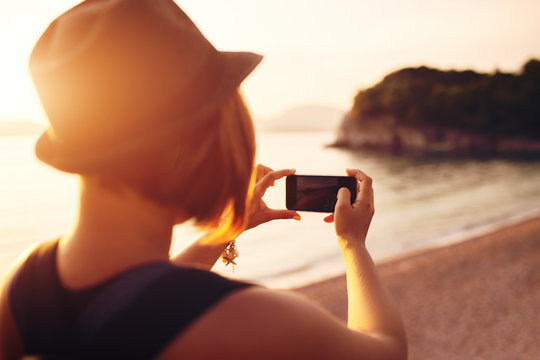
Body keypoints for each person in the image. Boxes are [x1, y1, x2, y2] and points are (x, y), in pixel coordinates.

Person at [0, 0, 407, 359]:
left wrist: (222, 233)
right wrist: (352, 244)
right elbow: (384, 349)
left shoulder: (23, 287)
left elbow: (134, 305)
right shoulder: (250, 319)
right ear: (188, 144)